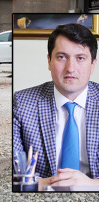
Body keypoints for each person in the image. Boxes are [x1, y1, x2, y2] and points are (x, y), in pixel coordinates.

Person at [13, 23, 99, 190]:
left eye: (80, 58)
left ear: (93, 64)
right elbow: (12, 174)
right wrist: (39, 185)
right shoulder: (21, 103)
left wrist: (92, 185)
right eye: (61, 57)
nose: (70, 68)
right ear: (49, 61)